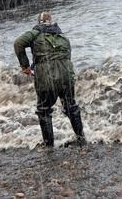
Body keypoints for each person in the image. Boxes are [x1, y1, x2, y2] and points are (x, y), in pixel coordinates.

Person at [14, 12, 85, 147]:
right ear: (51, 22)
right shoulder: (63, 36)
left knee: (44, 109)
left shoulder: (35, 33)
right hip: (67, 77)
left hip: (46, 78)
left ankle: (49, 145)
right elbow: (65, 57)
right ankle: (81, 138)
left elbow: (18, 43)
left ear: (39, 23)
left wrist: (25, 66)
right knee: (71, 107)